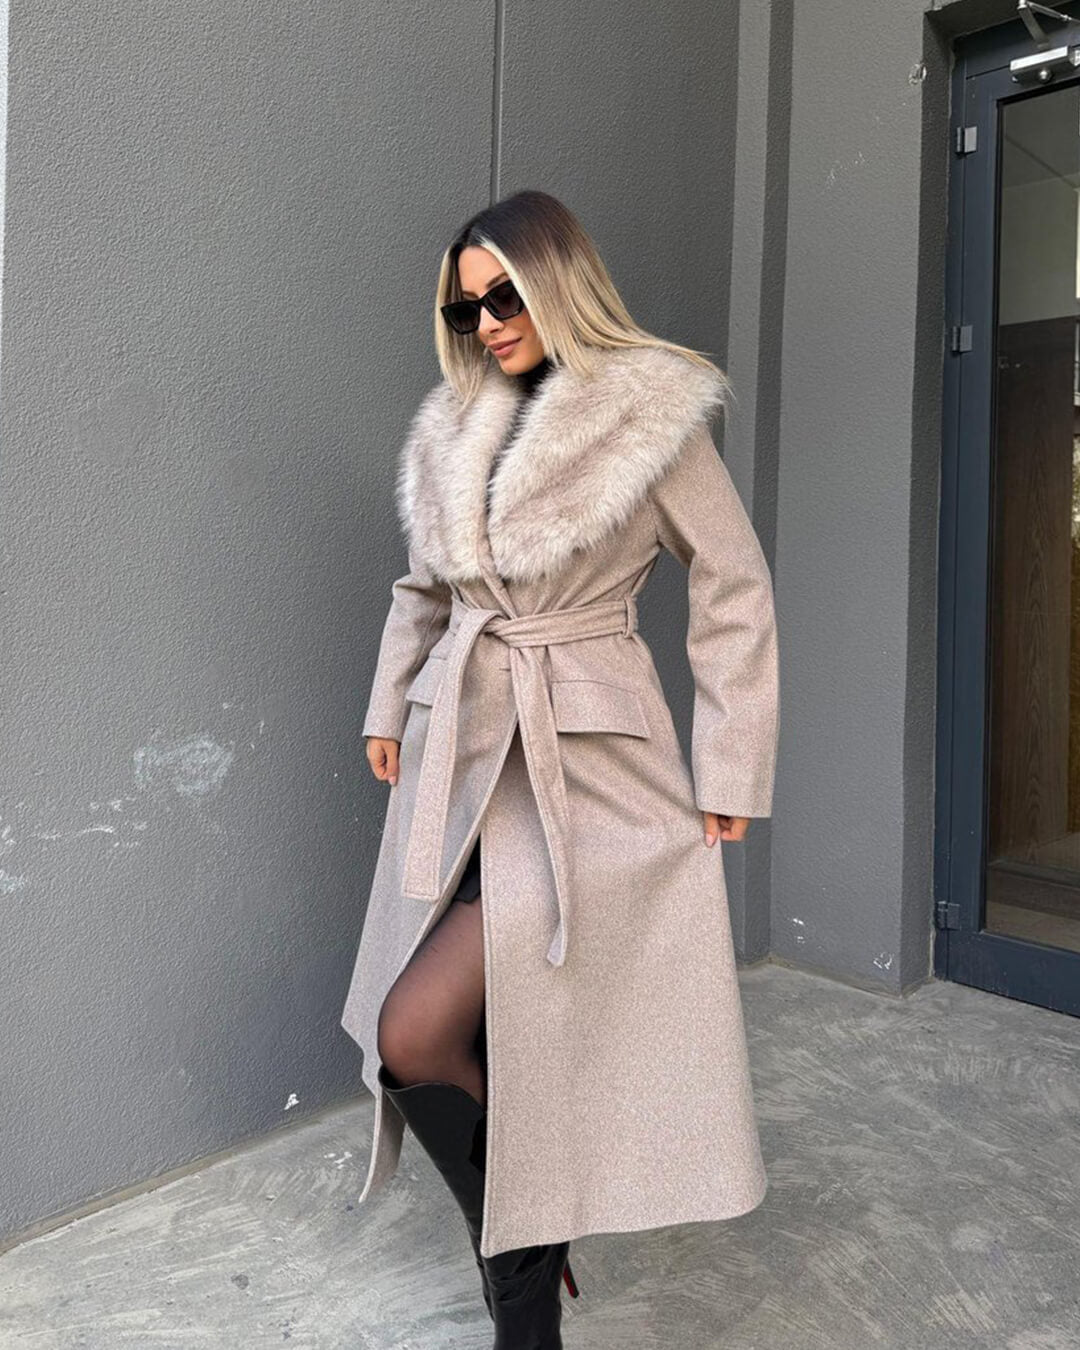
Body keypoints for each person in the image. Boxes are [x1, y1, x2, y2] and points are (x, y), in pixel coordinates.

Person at [341, 188, 780, 1349]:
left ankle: (523, 1303)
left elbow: (732, 582)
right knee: (443, 1033)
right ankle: (532, 1257)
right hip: (460, 753)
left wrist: (731, 767)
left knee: (422, 1029)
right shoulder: (454, 427)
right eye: (464, 307)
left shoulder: (648, 413)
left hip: (582, 760)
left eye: (504, 296)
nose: (485, 323)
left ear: (558, 282)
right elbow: (424, 587)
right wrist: (390, 704)